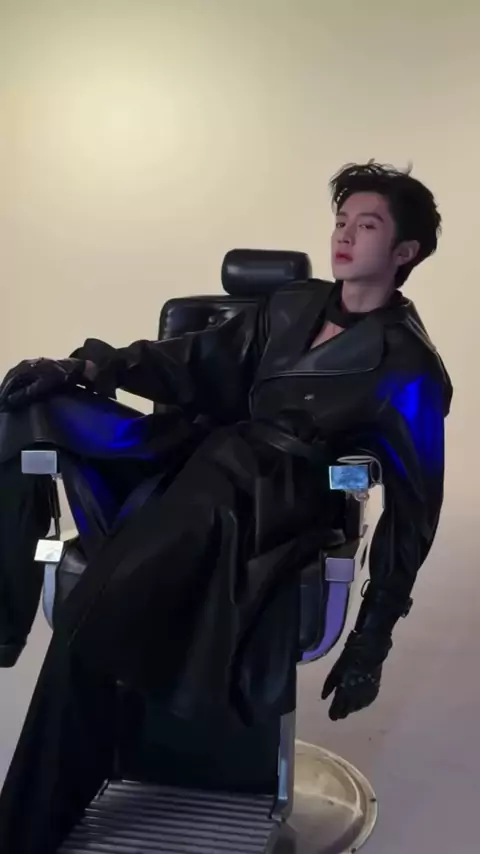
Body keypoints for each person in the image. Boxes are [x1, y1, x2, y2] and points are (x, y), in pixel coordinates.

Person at [0, 162, 452, 854]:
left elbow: (416, 508)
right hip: (202, 456)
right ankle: (5, 620)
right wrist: (89, 368)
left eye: (367, 226)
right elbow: (192, 359)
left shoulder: (408, 366)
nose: (344, 236)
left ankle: (25, 829)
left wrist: (374, 637)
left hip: (265, 502)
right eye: (341, 221)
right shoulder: (293, 304)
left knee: (94, 621)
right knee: (29, 405)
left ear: (405, 251)